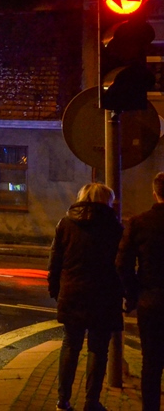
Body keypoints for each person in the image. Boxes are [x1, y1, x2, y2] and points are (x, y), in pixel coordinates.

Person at [48, 182, 124, 411]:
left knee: (70, 345)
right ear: (106, 201)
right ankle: (91, 402)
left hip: (72, 293)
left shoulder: (65, 224)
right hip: (104, 296)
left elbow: (55, 261)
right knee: (98, 349)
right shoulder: (115, 228)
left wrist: (55, 289)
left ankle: (63, 400)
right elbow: (120, 266)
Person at [117, 172, 164, 411]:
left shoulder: (140, 222)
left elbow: (122, 264)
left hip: (151, 301)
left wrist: (134, 293)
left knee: (152, 364)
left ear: (155, 193)